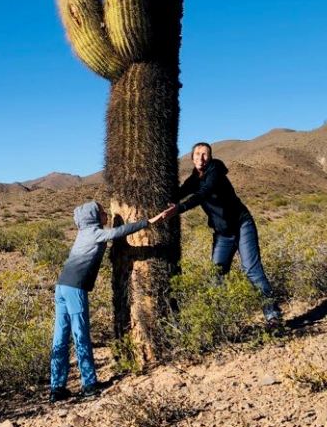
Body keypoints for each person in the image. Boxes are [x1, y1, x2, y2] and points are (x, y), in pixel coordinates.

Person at [50, 199, 168, 402]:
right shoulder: (95, 233)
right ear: (94, 217)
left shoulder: (82, 234)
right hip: (74, 288)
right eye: (103, 212)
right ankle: (89, 385)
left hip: (61, 287)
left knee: (60, 337)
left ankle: (56, 388)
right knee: (81, 334)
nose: (107, 215)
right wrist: (149, 221)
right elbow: (118, 232)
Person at [165, 142, 281, 325]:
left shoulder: (216, 170)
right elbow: (181, 192)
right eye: (197, 154)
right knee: (217, 274)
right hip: (222, 233)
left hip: (242, 225)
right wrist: (166, 201)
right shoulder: (194, 179)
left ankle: (272, 314)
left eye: (204, 154)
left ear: (210, 157)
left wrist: (180, 208)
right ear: (192, 157)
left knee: (251, 269)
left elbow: (204, 193)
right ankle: (220, 320)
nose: (201, 158)